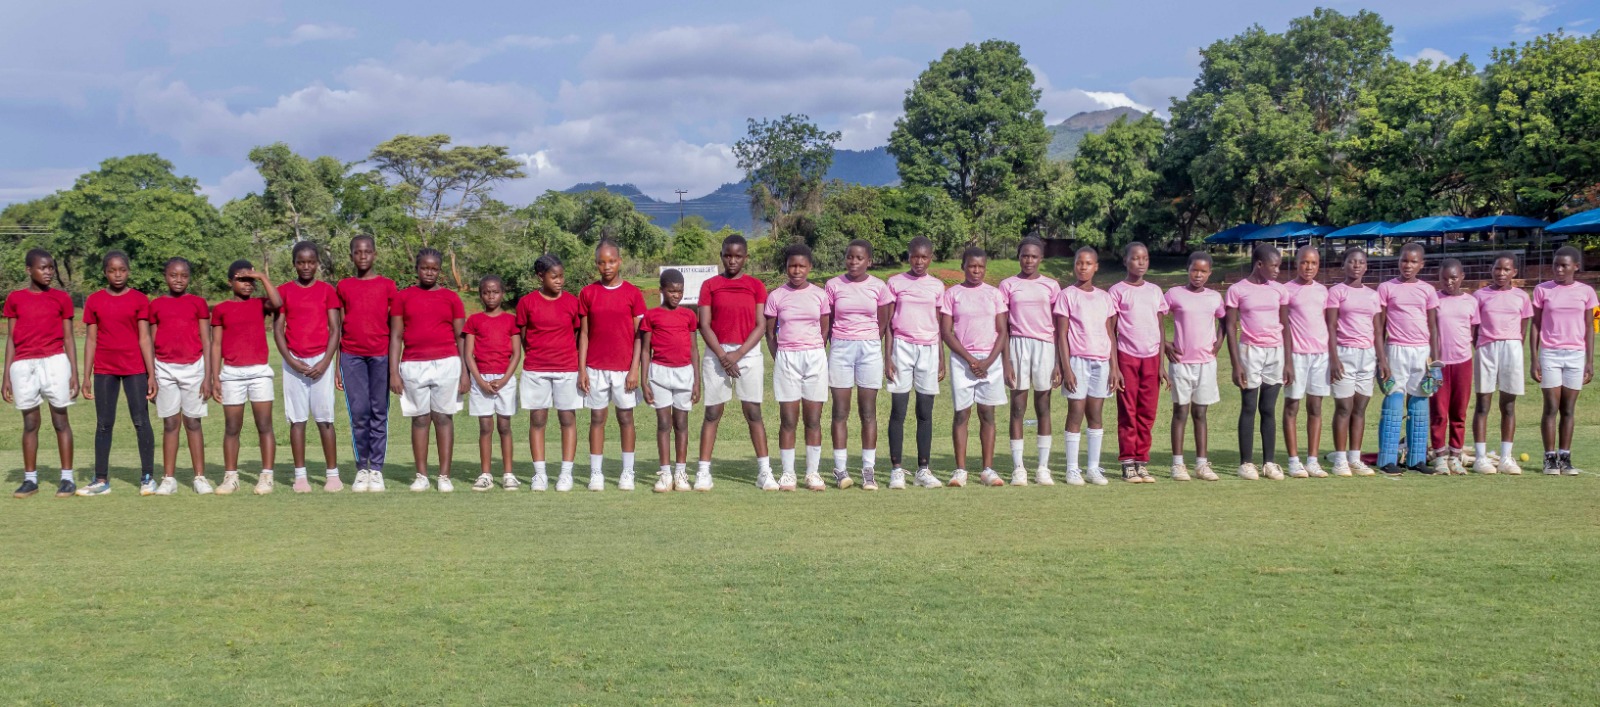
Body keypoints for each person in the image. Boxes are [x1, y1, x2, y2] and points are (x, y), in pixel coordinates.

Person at [696, 234, 772, 491]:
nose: (732, 260)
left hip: (747, 353)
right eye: (727, 255)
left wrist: (737, 355)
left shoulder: (755, 286)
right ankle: (703, 472)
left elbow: (761, 325)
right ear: (721, 256)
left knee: (753, 412)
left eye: (738, 256)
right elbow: (704, 324)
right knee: (712, 413)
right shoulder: (710, 285)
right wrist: (723, 357)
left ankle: (764, 472)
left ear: (746, 257)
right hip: (717, 352)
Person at [389, 248, 468, 492]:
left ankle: (444, 476)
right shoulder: (403, 297)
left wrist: (465, 372)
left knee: (443, 417)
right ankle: (421, 475)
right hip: (413, 365)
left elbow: (461, 337)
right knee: (420, 418)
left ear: (440, 271)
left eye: (434, 268)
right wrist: (393, 372)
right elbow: (396, 336)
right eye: (424, 268)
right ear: (417, 269)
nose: (429, 272)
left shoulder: (451, 298)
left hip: (447, 364)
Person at [78, 251, 155, 496]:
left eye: (122, 270)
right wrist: (86, 376)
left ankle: (147, 477)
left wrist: (151, 374)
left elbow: (145, 338)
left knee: (141, 421)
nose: (118, 274)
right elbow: (91, 340)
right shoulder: (94, 300)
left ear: (128, 271)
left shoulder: (140, 299)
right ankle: (101, 480)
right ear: (105, 273)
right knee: (104, 424)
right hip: (104, 369)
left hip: (135, 368)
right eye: (112, 270)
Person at [4, 249, 79, 498]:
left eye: (51, 268)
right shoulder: (15, 299)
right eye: (42, 268)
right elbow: (11, 340)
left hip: (55, 361)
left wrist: (74, 373)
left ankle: (67, 479)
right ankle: (30, 480)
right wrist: (6, 375)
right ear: (29, 270)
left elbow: (69, 338)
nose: (48, 272)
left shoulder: (61, 298)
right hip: (23, 365)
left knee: (60, 421)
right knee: (30, 423)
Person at [208, 260, 283, 495]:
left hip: (259, 372)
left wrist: (262, 277)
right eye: (242, 280)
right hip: (231, 374)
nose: (248, 284)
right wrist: (215, 378)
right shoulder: (221, 309)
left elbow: (278, 302)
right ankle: (231, 477)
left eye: (251, 280)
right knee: (232, 427)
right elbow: (216, 345)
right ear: (230, 282)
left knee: (264, 425)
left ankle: (267, 476)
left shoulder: (260, 304)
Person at [578, 239, 647, 491]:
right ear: (596, 264)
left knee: (625, 417)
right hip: (595, 368)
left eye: (611, 261)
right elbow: (584, 334)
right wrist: (582, 369)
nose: (606, 266)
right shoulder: (588, 293)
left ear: (620, 262)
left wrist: (634, 369)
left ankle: (627, 472)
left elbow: (640, 335)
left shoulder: (633, 293)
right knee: (597, 418)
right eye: (601, 262)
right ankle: (596, 473)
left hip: (624, 369)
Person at [274, 241, 342, 493]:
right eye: (301, 262)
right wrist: (291, 360)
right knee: (297, 420)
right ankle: (300, 476)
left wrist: (325, 362)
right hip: (294, 362)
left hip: (321, 360)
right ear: (294, 263)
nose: (306, 266)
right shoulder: (284, 291)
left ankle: (332, 475)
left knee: (325, 419)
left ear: (317, 264)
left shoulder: (327, 291)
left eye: (311, 262)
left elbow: (335, 329)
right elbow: (278, 330)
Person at [825, 239, 893, 489]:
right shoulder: (833, 285)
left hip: (869, 349)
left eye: (859, 258)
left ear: (869, 261)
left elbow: (883, 323)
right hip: (841, 348)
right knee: (840, 412)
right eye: (850, 257)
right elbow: (829, 319)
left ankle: (868, 470)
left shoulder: (879, 286)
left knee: (868, 412)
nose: (853, 262)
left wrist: (869, 340)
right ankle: (841, 470)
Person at [940, 246, 1009, 488]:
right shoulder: (952, 294)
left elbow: (1002, 331)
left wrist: (988, 361)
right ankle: (960, 470)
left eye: (980, 266)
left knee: (987, 413)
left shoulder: (994, 294)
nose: (976, 270)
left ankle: (987, 469)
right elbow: (946, 332)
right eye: (971, 266)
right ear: (963, 267)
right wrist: (970, 360)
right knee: (962, 414)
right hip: (963, 360)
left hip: (990, 361)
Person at [766, 244, 832, 491]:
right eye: (792, 265)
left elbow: (824, 329)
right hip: (786, 358)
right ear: (786, 267)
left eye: (801, 266)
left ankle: (812, 473)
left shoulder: (820, 295)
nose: (796, 270)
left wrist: (814, 350)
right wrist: (780, 356)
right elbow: (770, 333)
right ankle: (788, 474)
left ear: (809, 267)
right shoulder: (776, 296)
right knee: (788, 419)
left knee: (813, 419)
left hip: (814, 357)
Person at [1224, 243, 1292, 480]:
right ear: (1259, 264)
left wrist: (1288, 362)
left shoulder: (1280, 290)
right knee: (1249, 406)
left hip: (1275, 352)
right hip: (1250, 351)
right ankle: (1246, 463)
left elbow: (1286, 325)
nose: (1277, 271)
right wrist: (1236, 364)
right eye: (1274, 266)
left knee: (1268, 409)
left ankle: (1269, 463)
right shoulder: (1237, 290)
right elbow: (1230, 327)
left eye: (1279, 266)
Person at [336, 235, 397, 493]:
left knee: (378, 412)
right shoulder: (344, 286)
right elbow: (339, 328)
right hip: (352, 357)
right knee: (359, 413)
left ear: (375, 254)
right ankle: (362, 468)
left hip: (380, 356)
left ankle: (377, 470)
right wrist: (338, 366)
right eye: (358, 252)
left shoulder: (388, 286)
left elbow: (396, 329)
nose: (363, 256)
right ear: (351, 255)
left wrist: (393, 368)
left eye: (367, 251)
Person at [885, 236, 946, 490]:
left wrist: (941, 358)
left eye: (924, 257)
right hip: (902, 347)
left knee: (924, 411)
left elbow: (939, 325)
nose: (919, 261)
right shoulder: (895, 283)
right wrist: (888, 358)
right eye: (915, 256)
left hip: (928, 349)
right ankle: (896, 470)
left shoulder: (937, 286)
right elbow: (889, 325)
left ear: (931, 258)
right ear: (908, 256)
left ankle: (923, 469)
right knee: (898, 410)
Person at [516, 254, 582, 491]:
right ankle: (540, 475)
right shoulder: (526, 303)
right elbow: (524, 335)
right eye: (554, 277)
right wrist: (537, 354)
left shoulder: (572, 302)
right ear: (540, 276)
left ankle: (566, 474)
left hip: (567, 369)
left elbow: (577, 334)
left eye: (562, 276)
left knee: (567, 419)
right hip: (536, 370)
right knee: (538, 420)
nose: (559, 281)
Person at [147, 258, 212, 494]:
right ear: (165, 276)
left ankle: (200, 478)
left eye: (184, 275)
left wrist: (208, 377)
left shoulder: (198, 303)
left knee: (193, 422)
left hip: (194, 368)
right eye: (173, 275)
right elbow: (151, 342)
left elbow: (207, 341)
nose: (178, 280)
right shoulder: (156, 305)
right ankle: (169, 479)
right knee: (170, 423)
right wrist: (151, 376)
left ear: (189, 278)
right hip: (164, 369)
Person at [1000, 236, 1061, 486]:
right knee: (1017, 407)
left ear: (1041, 258)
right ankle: (1019, 468)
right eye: (1025, 255)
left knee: (1043, 406)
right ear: (1019, 257)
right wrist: (1006, 361)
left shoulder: (1051, 286)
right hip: (1018, 345)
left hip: (1045, 346)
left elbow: (1058, 326)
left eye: (1034, 256)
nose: (1029, 260)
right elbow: (1003, 327)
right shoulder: (1007, 285)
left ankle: (1043, 468)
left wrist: (1058, 362)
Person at [1530, 245, 1596, 475]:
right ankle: (1550, 458)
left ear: (1575, 267)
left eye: (1564, 265)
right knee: (1551, 407)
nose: (1558, 269)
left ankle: (1565, 457)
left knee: (1568, 409)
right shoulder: (1542, 290)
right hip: (1550, 353)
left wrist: (1589, 361)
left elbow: (1590, 327)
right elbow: (1535, 325)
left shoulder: (1587, 292)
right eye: (1556, 265)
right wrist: (1534, 358)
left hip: (1576, 355)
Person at [1375, 242, 1439, 474]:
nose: (1408, 265)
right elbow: (1380, 326)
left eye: (1413, 262)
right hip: (1395, 349)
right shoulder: (1386, 288)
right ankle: (1387, 459)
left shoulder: (1428, 290)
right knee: (1393, 402)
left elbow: (1433, 327)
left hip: (1421, 352)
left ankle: (1416, 459)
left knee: (1419, 405)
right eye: (1404, 260)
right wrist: (1381, 359)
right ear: (1398, 260)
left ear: (1421, 264)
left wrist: (1436, 364)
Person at [1053, 246, 1113, 486]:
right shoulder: (1067, 295)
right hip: (1077, 361)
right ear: (1074, 265)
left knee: (1096, 414)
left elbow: (1110, 333)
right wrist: (1066, 368)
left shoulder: (1104, 297)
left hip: (1101, 361)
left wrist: (1115, 367)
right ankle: (1072, 469)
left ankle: (1093, 468)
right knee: (1076, 412)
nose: (1083, 267)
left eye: (1088, 263)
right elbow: (1061, 334)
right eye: (1079, 263)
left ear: (1096, 267)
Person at [1108, 241, 1167, 483]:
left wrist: (1161, 364)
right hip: (1127, 357)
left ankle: (1142, 461)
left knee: (1147, 412)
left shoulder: (1155, 291)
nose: (1141, 262)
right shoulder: (1117, 291)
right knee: (1128, 411)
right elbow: (1111, 331)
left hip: (1151, 359)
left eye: (1145, 258)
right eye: (1135, 258)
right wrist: (1115, 367)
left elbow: (1160, 328)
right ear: (1125, 261)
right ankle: (1127, 462)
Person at [1164, 251, 1225, 482]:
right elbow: (1156, 317)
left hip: (1206, 364)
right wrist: (1165, 344)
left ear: (1209, 273)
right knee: (1180, 412)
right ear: (1187, 269)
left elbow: (1225, 320)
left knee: (1200, 413)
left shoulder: (1214, 297)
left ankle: (1201, 464)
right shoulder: (1174, 294)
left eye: (1203, 271)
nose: (1198, 275)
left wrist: (1219, 342)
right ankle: (1177, 464)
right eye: (1194, 270)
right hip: (1181, 363)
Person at [1470, 253, 1532, 475]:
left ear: (1514, 272)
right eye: (1498, 268)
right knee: (1483, 404)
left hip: (1511, 348)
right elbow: (1474, 328)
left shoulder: (1522, 297)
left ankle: (1506, 458)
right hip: (1486, 348)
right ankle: (1480, 458)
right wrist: (1481, 346)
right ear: (1492, 269)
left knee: (1508, 405)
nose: (1501, 273)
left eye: (1506, 269)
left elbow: (1523, 329)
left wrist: (1513, 347)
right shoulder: (1479, 296)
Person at [640, 269, 701, 492]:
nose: (676, 295)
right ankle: (665, 474)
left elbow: (694, 350)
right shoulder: (651, 316)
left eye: (680, 291)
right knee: (664, 424)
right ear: (661, 291)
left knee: (681, 424)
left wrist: (697, 382)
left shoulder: (689, 316)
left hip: (684, 374)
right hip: (659, 374)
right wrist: (644, 381)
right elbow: (645, 351)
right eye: (671, 291)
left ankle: (681, 473)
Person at [1325, 247, 1381, 477]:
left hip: (1367, 355)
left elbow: (1377, 329)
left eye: (1361, 262)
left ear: (1366, 267)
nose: (1356, 265)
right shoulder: (1336, 292)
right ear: (1344, 265)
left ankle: (1355, 458)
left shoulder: (1373, 295)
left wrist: (1382, 359)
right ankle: (1340, 460)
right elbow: (1330, 326)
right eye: (1352, 261)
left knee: (1359, 408)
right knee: (1344, 407)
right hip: (1344, 353)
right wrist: (1334, 358)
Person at [464, 275, 522, 491]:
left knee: (504, 426)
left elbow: (516, 354)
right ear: (481, 295)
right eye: (486, 292)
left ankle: (508, 474)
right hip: (481, 380)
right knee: (485, 427)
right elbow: (468, 354)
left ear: (502, 294)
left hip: (504, 379)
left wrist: (504, 379)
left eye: (495, 292)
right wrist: (480, 381)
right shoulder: (474, 321)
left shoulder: (511, 320)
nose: (491, 296)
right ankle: (486, 474)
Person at [1283, 246, 1330, 478]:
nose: (1308, 267)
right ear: (1296, 263)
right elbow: (1283, 325)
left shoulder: (1323, 291)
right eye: (1304, 262)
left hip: (1320, 356)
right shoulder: (1286, 290)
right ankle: (1294, 461)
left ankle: (1312, 460)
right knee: (1292, 405)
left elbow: (1327, 322)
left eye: (1313, 263)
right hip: (1296, 355)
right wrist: (1287, 361)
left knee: (1316, 407)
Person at [1429, 259, 1478, 475]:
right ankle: (1440, 456)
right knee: (1439, 412)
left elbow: (1472, 332)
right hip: (1439, 363)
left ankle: (1455, 455)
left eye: (1454, 278)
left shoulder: (1471, 302)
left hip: (1463, 362)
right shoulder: (1434, 299)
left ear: (1462, 277)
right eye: (1444, 278)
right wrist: (1432, 361)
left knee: (1459, 411)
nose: (1449, 282)